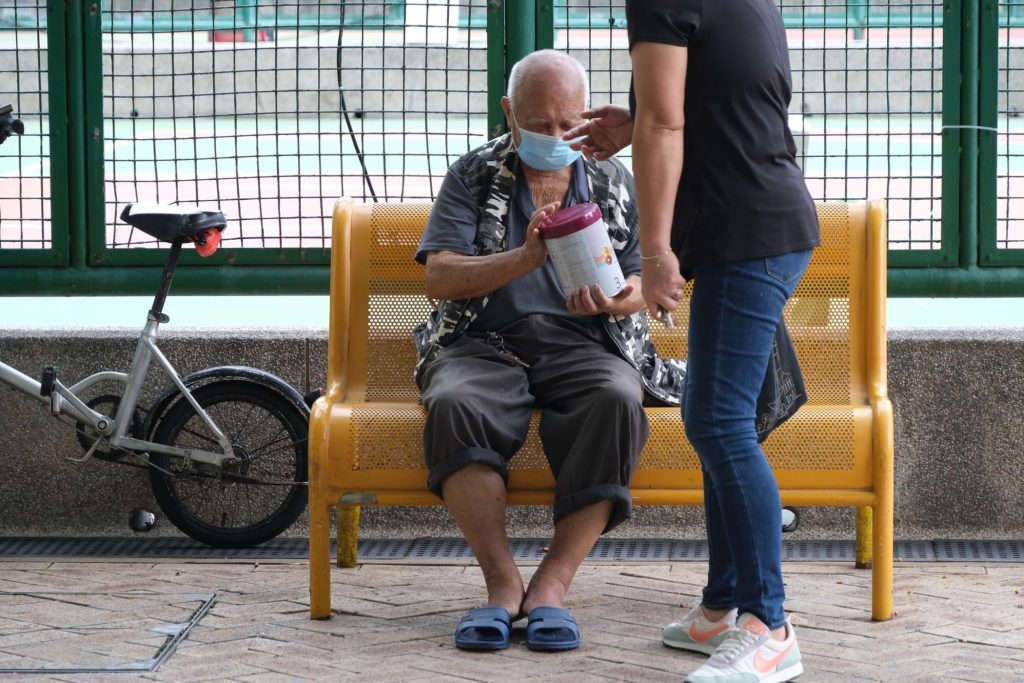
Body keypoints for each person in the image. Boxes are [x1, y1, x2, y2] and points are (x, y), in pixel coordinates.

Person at [564, 1, 820, 681]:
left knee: (717, 421)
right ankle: (722, 606)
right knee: (716, 417)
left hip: (749, 234)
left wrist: (652, 256)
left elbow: (665, 120)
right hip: (759, 222)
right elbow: (714, 97)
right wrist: (632, 123)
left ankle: (770, 624)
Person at [413, 49, 685, 653]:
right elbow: (439, 277)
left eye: (568, 124)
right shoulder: (474, 174)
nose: (557, 137)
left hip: (585, 342)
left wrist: (621, 301)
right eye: (539, 125)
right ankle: (502, 585)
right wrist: (524, 259)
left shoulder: (615, 178)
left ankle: (552, 587)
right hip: (483, 342)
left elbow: (652, 281)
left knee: (616, 399)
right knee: (456, 402)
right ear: (510, 113)